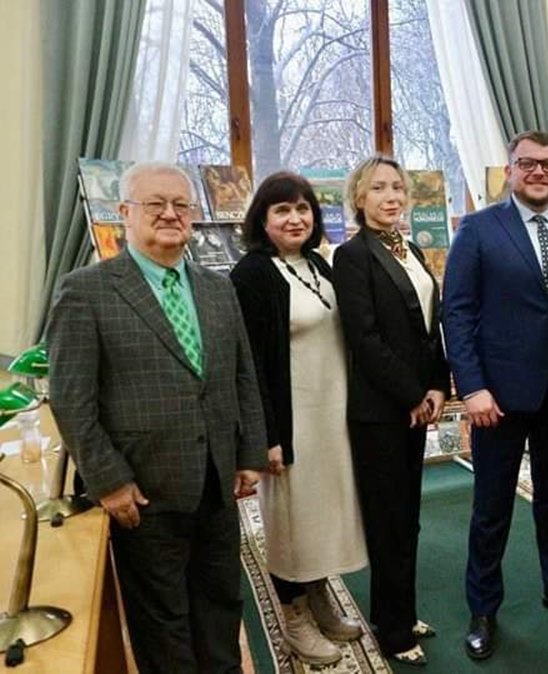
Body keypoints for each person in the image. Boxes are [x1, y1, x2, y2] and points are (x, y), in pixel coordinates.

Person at [47, 162, 267, 673]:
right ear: (124, 213)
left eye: (180, 204)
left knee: (220, 608)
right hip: (143, 493)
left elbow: (243, 376)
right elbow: (71, 399)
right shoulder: (85, 291)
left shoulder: (218, 288)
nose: (170, 213)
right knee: (163, 626)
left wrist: (249, 453)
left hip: (216, 485)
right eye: (155, 204)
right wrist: (109, 481)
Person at [442, 130, 548, 659]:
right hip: (498, 398)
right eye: (527, 163)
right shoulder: (479, 229)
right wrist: (472, 387)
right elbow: (457, 312)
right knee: (492, 508)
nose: (538, 172)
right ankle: (483, 608)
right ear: (510, 169)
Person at [229, 171, 368, 666]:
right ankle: (293, 615)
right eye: (282, 210)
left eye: (303, 208)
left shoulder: (317, 263)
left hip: (333, 416)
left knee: (325, 516)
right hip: (291, 424)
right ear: (262, 219)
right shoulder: (252, 274)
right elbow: (248, 364)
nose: (295, 218)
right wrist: (264, 435)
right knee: (293, 521)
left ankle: (319, 595)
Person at [332, 155, 450, 666]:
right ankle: (395, 632)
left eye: (398, 187)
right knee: (388, 521)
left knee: (408, 519)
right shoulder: (352, 256)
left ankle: (399, 612)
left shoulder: (411, 249)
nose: (391, 197)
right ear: (359, 198)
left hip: (416, 404)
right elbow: (365, 339)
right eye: (378, 188)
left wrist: (439, 385)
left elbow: (429, 329)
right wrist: (412, 394)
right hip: (381, 410)